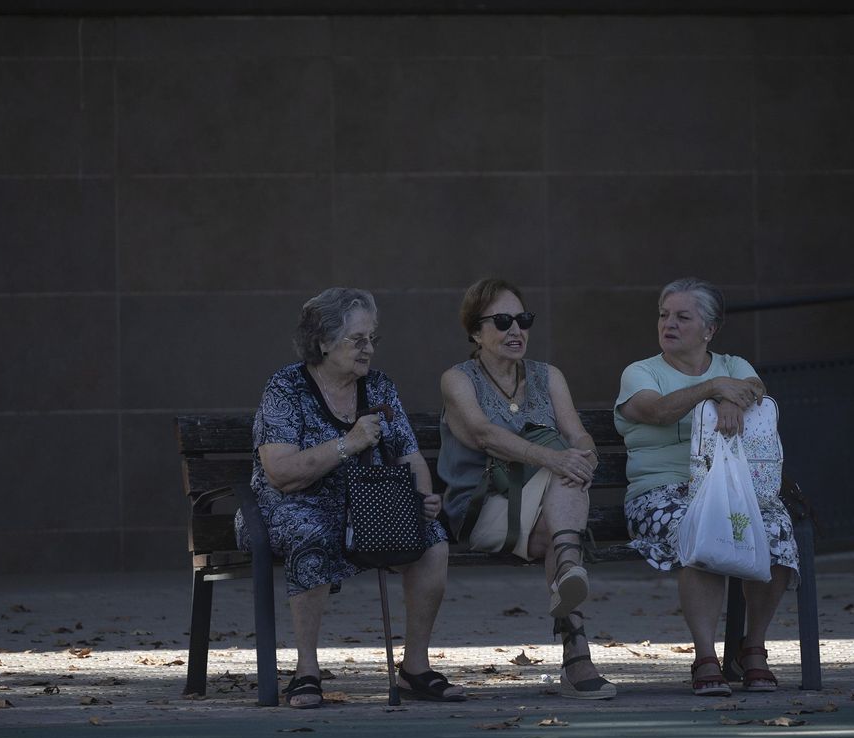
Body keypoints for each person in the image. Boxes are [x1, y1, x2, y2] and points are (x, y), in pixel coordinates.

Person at [241, 287, 464, 708]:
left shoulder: (378, 387)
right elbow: (281, 473)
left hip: (370, 507)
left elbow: (409, 453)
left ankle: (415, 666)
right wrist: (349, 443)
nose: (368, 350)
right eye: (357, 339)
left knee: (433, 536)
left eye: (372, 339)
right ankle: (306, 670)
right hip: (291, 506)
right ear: (323, 342)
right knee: (310, 531)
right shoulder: (286, 388)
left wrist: (422, 496)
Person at [613, 277, 799, 696]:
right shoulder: (641, 372)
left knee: (776, 528)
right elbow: (657, 411)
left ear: (710, 329)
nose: (669, 324)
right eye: (664, 315)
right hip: (661, 492)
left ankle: (752, 649)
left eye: (682, 316)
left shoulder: (733, 365)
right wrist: (713, 390)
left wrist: (732, 398)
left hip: (735, 489)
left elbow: (756, 390)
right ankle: (705, 656)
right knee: (701, 528)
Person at [438, 278, 616, 700]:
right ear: (474, 332)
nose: (515, 330)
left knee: (562, 521)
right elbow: (484, 435)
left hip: (547, 514)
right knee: (563, 495)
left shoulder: (547, 376)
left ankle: (577, 645)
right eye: (502, 321)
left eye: (523, 319)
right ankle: (576, 660)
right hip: (483, 510)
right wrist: (557, 460)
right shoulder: (457, 380)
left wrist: (586, 457)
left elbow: (578, 435)